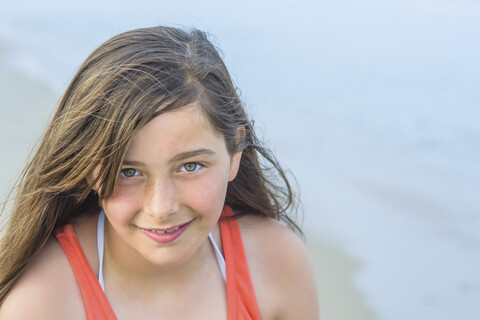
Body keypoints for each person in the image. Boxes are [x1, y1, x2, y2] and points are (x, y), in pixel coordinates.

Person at [0, 26, 318, 319]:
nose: (161, 208)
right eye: (128, 172)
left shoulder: (277, 263)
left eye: (190, 166)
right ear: (91, 170)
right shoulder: (42, 303)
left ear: (235, 151)